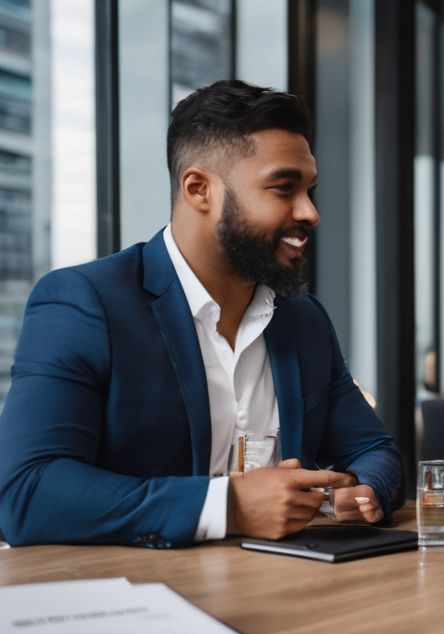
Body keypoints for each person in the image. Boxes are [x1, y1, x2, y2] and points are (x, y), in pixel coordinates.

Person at [0, 80, 400, 547]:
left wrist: (366, 489)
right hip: (128, 600)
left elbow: (374, 449)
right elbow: (26, 492)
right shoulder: (83, 302)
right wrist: (229, 506)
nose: (310, 212)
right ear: (198, 189)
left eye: (309, 190)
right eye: (284, 188)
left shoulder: (303, 319)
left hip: (283, 593)